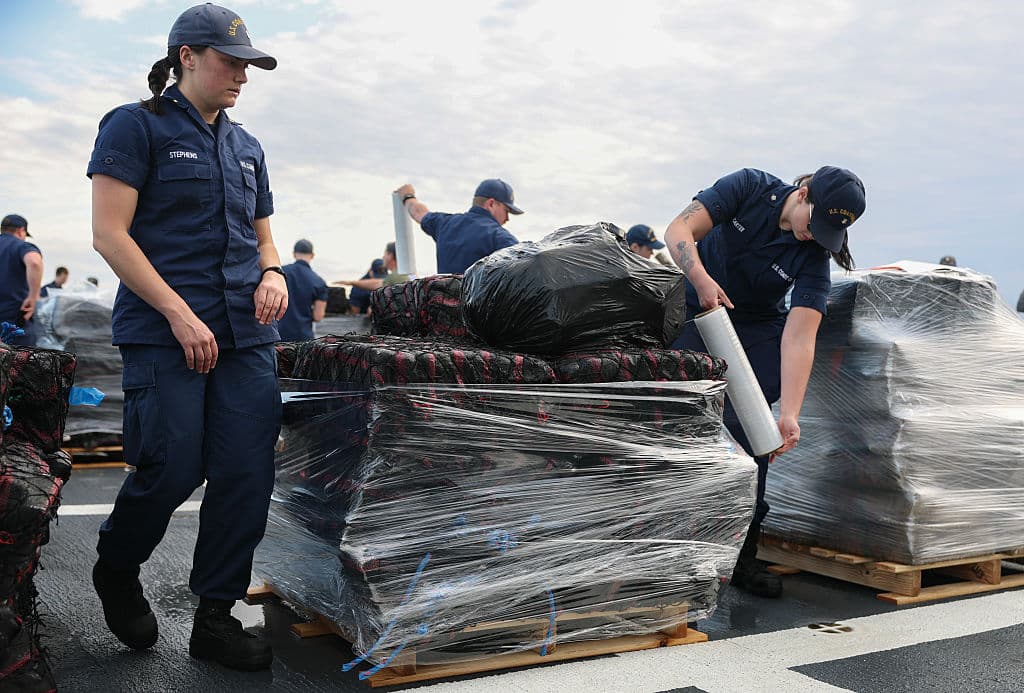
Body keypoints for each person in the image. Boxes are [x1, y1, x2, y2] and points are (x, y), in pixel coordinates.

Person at [86, 4, 287, 671]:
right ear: (186, 58)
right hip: (164, 329)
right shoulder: (134, 127)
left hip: (245, 334)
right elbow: (109, 233)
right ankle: (117, 563)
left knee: (245, 470)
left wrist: (273, 273)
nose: (242, 76)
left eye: (248, 66)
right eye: (231, 62)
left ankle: (215, 616)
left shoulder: (248, 146)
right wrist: (176, 311)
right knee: (173, 461)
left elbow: (263, 236)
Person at [665, 166, 866, 598]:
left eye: (828, 235)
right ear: (804, 193)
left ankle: (741, 551)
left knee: (750, 430)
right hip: (695, 306)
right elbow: (679, 229)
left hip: (756, 327)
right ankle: (667, 543)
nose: (814, 238)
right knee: (678, 414)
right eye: (815, 225)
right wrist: (700, 278)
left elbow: (800, 335)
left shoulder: (812, 255)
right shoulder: (750, 188)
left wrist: (789, 415)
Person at [396, 179, 521, 274]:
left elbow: (418, 212)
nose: (507, 219)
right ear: (491, 204)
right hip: (481, 307)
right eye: (506, 211)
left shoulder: (444, 223)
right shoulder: (501, 238)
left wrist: (408, 197)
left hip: (443, 305)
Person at [0, 214, 43, 346]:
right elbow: (35, 262)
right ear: (21, 230)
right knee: (19, 364)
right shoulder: (21, 246)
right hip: (14, 322)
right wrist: (33, 296)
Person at [277, 239, 328, 340]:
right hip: (303, 338)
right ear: (312, 255)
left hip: (277, 335)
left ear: (294, 254)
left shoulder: (279, 273)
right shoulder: (319, 282)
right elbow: (318, 316)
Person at [334, 241, 400, 293]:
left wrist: (351, 282)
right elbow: (379, 283)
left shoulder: (396, 276)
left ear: (390, 255)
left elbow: (378, 284)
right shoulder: (398, 275)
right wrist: (352, 282)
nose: (383, 257)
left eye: (384, 254)